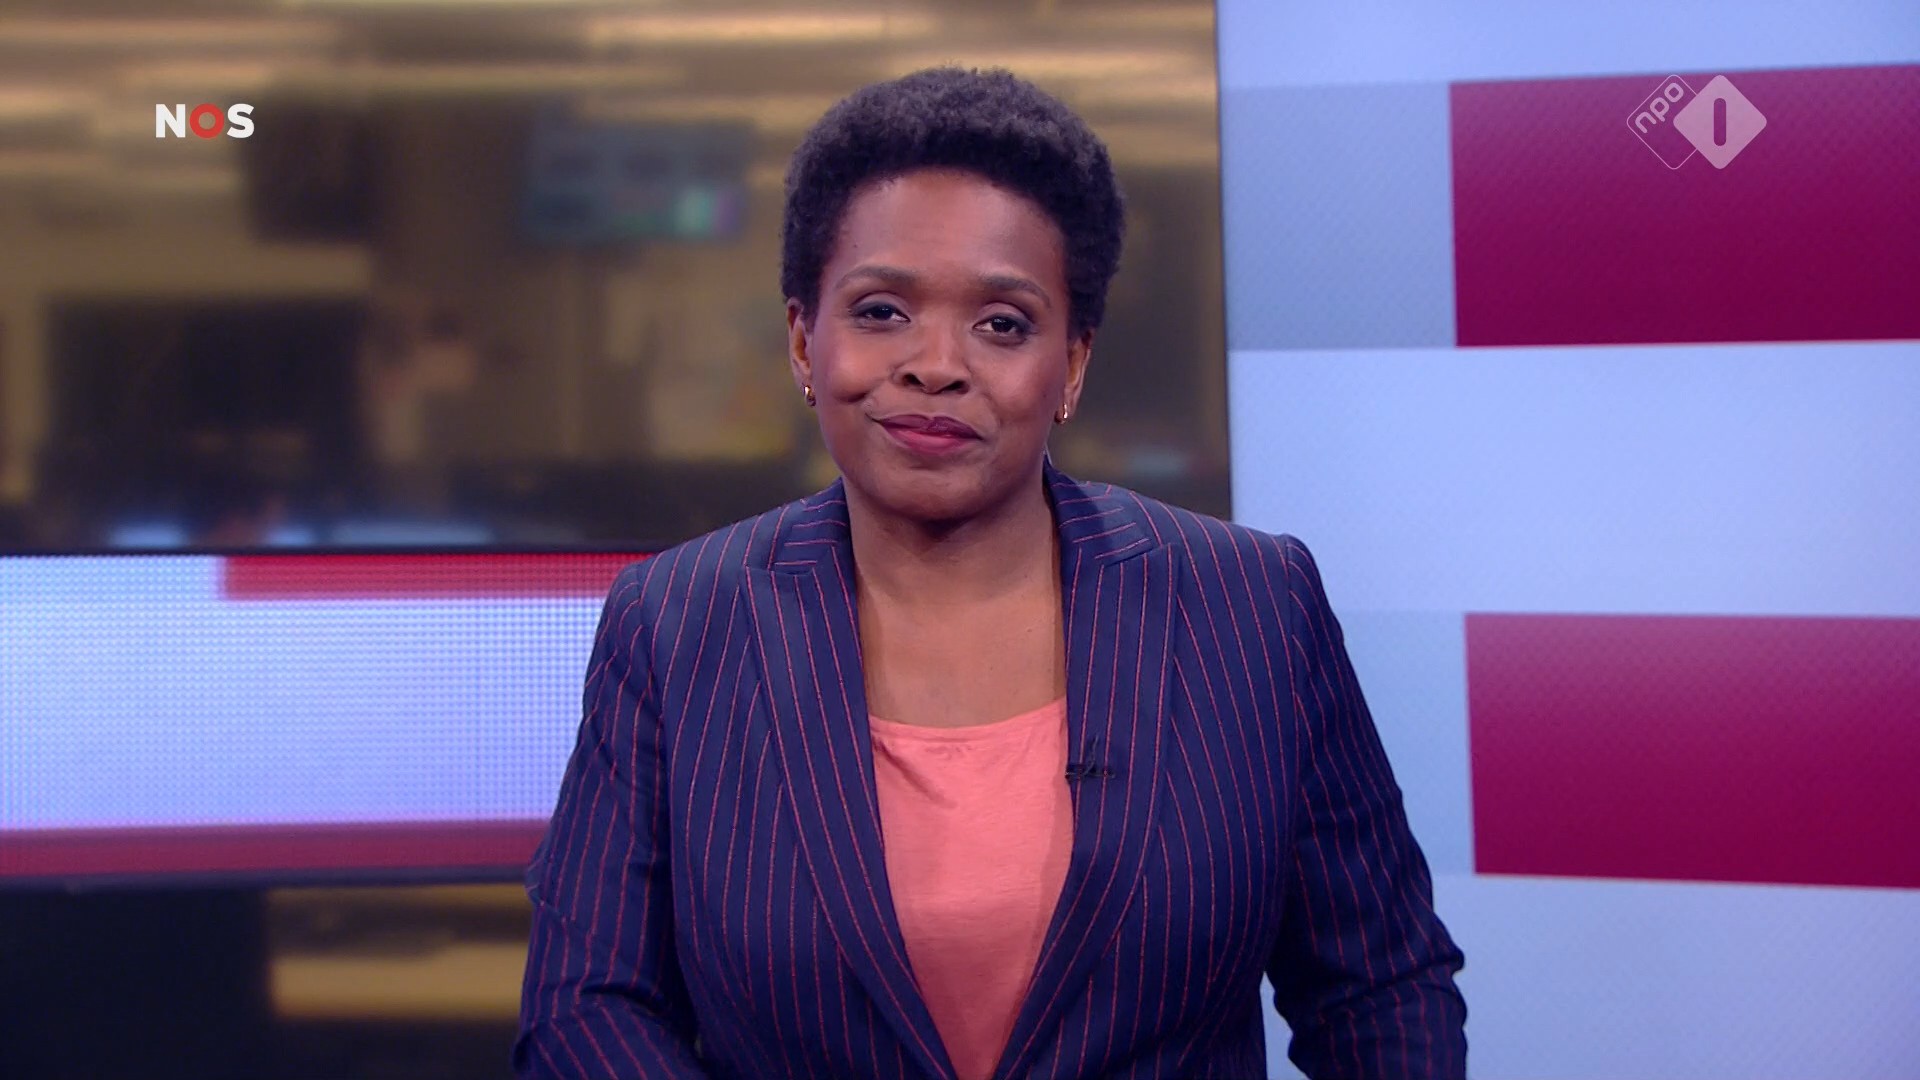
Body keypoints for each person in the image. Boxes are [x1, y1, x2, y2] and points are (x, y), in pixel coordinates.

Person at [515, 67, 1466, 1080]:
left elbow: (1381, 989)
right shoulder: (675, 624)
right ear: (802, 341)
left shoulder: (1250, 605)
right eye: (881, 311)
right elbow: (588, 1008)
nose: (936, 364)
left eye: (1003, 323)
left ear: (1074, 363)